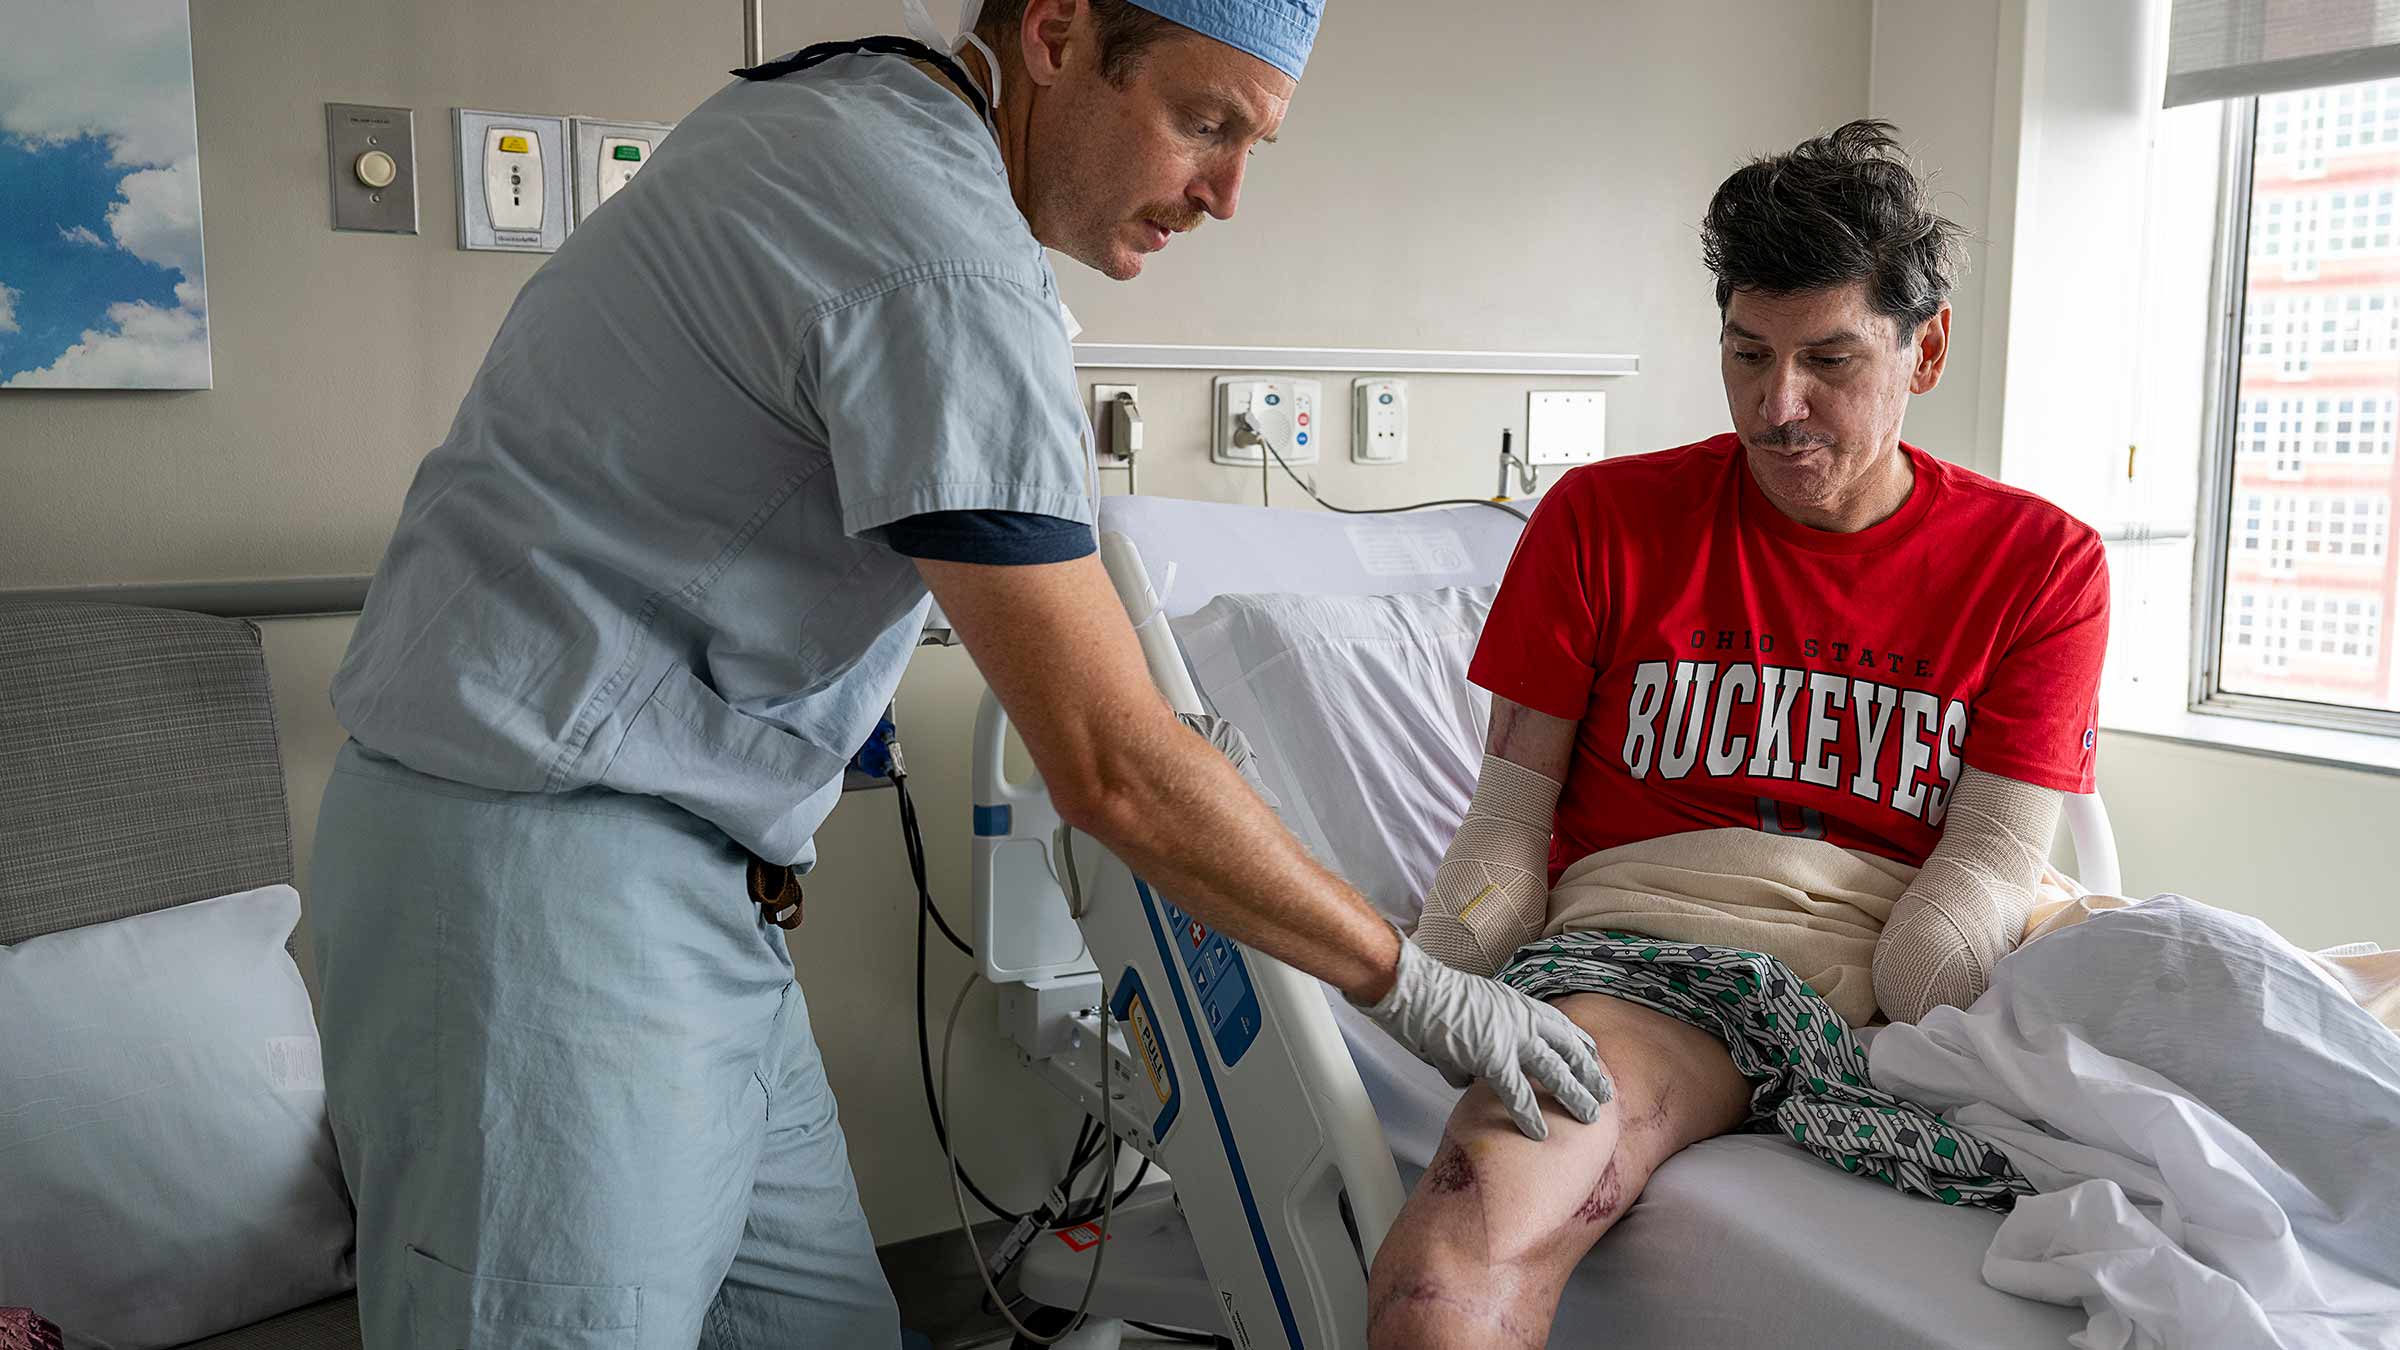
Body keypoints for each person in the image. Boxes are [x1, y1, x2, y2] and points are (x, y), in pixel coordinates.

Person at [306, 0, 1607, 1343]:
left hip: (690, 890)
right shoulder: (939, 252)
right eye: (1203, 123)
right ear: (1054, 34)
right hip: (547, 900)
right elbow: (1111, 762)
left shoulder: (848, 109)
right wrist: (1411, 980)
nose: (1224, 193)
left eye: (1252, 143)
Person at [1365, 119, 2111, 1348]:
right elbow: (1509, 818)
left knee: (2254, 1028)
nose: (1782, 406)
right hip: (1656, 970)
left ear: (1924, 349)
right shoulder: (1604, 519)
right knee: (1454, 1266)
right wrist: (1443, 975)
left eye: (1829, 359)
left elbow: (1985, 869)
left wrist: (1931, 1031)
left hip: (1932, 967)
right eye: (1747, 355)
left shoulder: (2043, 565)